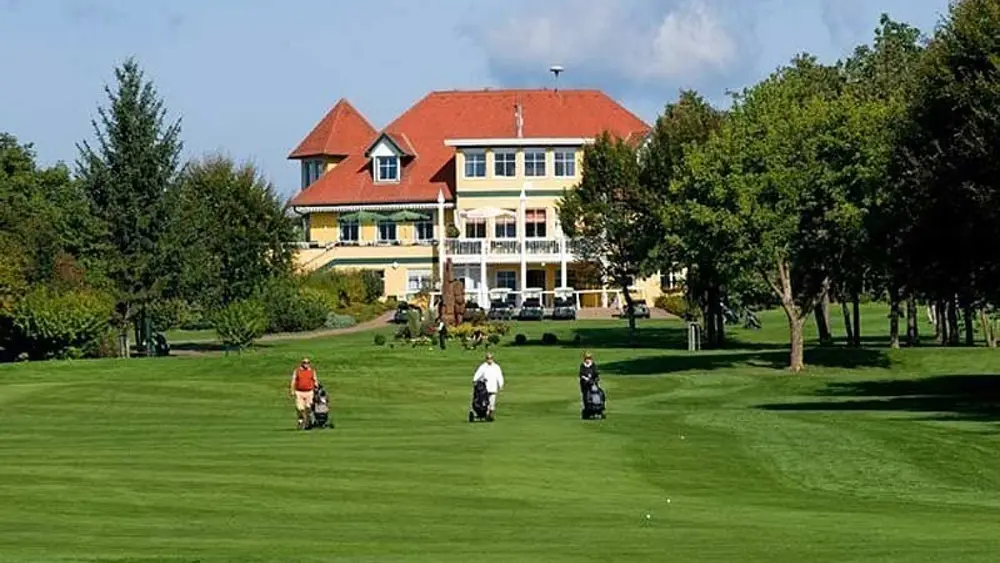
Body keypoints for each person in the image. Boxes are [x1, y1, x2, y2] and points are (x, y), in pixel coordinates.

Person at [472, 352, 505, 418]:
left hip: (493, 388)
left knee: (492, 404)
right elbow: (478, 374)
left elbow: (499, 376)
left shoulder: (496, 367)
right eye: (488, 358)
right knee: (484, 402)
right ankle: (484, 413)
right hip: (484, 389)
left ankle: (490, 414)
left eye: (490, 358)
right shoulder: (483, 367)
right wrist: (475, 380)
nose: (489, 360)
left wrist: (501, 384)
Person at [289, 357, 319, 429]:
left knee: (308, 407)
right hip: (299, 392)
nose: (306, 364)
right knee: (300, 408)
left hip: (309, 392)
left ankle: (307, 423)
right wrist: (292, 390)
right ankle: (301, 419)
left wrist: (316, 385)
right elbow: (293, 381)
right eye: (305, 363)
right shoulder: (297, 371)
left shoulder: (312, 371)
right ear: (302, 363)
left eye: (308, 363)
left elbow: (315, 380)